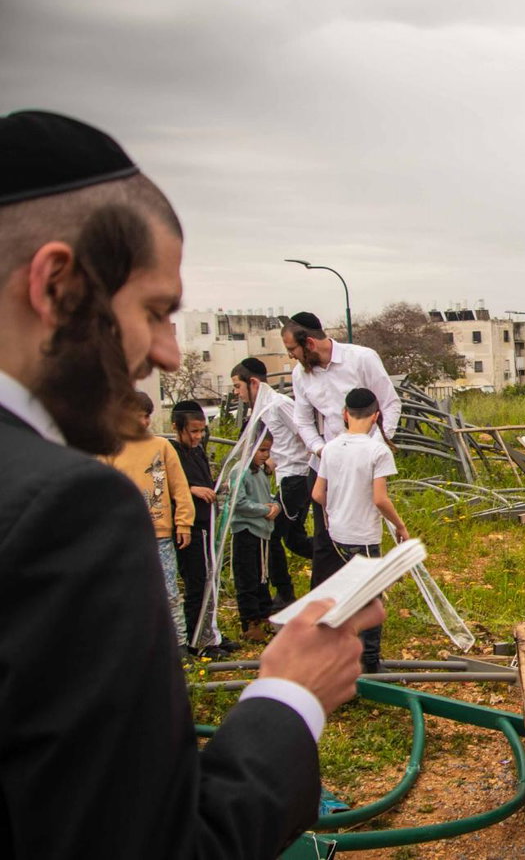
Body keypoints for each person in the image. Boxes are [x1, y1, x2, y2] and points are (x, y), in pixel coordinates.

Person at [0, 109, 384, 858]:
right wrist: (289, 695)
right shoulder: (65, 512)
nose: (169, 354)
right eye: (153, 312)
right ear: (54, 284)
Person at [282, 311, 401, 587]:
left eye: (292, 349)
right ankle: (325, 604)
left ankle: (364, 596)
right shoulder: (300, 374)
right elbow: (302, 420)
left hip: (364, 464)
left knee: (361, 531)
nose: (290, 355)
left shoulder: (361, 358)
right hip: (326, 463)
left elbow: (390, 404)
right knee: (325, 536)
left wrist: (372, 448)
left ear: (309, 343)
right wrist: (321, 450)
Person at [311, 388, 409, 675]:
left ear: (345, 414)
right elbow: (380, 499)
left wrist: (337, 508)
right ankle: (369, 663)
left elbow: (318, 493)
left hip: (337, 534)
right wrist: (400, 526)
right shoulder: (377, 451)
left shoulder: (330, 448)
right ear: (376, 416)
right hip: (363, 536)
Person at [102, 390, 194, 649]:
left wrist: (184, 521)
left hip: (160, 533)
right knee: (128, 593)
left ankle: (179, 646)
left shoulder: (161, 446)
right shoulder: (109, 448)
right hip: (124, 536)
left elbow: (180, 487)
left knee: (168, 592)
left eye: (147, 416)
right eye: (139, 416)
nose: (144, 422)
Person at [231, 356, 311, 610]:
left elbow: (305, 435)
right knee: (294, 539)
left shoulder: (278, 404)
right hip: (286, 476)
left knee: (273, 532)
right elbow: (279, 445)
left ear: (253, 383)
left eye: (238, 386)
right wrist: (269, 463)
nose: (236, 392)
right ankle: (334, 558)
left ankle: (284, 594)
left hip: (297, 477)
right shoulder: (260, 409)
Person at [171, 397, 231, 656]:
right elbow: (168, 485)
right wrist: (191, 489)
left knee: (209, 580)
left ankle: (209, 633)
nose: (198, 436)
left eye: (201, 431)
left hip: (206, 522)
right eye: (193, 431)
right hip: (190, 526)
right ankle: (197, 639)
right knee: (196, 582)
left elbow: (203, 481)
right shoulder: (170, 452)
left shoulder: (197, 451)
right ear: (177, 427)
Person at [231, 434, 280, 643]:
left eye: (268, 450)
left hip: (262, 532)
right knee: (247, 578)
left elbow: (266, 497)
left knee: (262, 577)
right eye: (261, 450)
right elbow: (238, 502)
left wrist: (275, 505)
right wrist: (264, 510)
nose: (265, 455)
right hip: (246, 530)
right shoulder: (239, 471)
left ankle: (264, 616)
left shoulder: (260, 471)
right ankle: (250, 622)